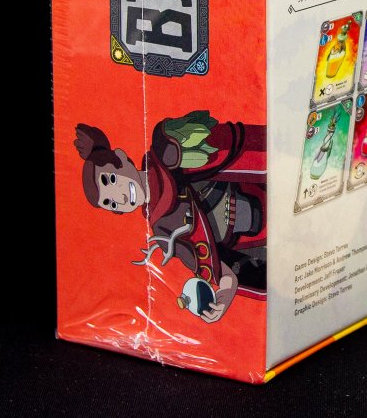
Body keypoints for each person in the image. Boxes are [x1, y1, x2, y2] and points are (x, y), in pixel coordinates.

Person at [74, 111, 266, 323]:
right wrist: (225, 294)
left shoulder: (166, 148)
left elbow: (232, 144)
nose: (120, 197)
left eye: (111, 179)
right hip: (260, 239)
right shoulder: (163, 231)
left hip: (263, 181)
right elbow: (215, 267)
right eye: (110, 203)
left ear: (120, 157)